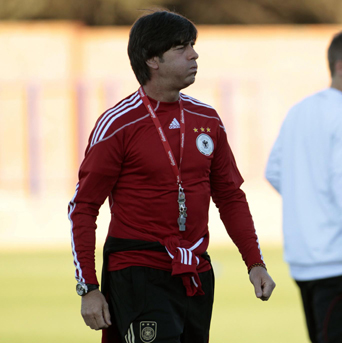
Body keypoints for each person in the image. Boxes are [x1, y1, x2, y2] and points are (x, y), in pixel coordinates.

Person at [68, 9, 275, 343]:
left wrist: (255, 263)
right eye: (181, 47)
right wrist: (88, 287)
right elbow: (83, 206)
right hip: (138, 271)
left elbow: (230, 197)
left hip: (195, 271)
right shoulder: (118, 124)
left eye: (192, 45)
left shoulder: (207, 119)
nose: (194, 54)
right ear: (153, 60)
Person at [265, 29, 342, 343]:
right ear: (341, 66)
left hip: (303, 261)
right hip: (340, 262)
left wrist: (309, 205)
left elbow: (273, 170)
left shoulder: (298, 111)